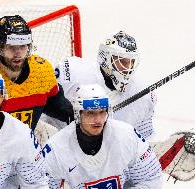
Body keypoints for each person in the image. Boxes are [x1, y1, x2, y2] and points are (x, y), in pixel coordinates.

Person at [43, 31, 195, 182]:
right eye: (122, 61)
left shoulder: (143, 95)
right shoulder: (74, 72)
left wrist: (165, 154)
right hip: (60, 154)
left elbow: (141, 144)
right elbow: (44, 98)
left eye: (131, 62)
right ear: (106, 58)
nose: (127, 68)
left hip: (105, 166)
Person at [0, 15, 73, 132]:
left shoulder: (42, 71)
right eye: (11, 47)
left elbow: (59, 107)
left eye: (22, 46)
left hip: (25, 145)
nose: (18, 53)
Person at [43, 83, 163, 188]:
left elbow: (152, 179)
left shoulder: (128, 136)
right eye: (91, 113)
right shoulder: (56, 149)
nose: (98, 120)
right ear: (78, 114)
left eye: (102, 112)